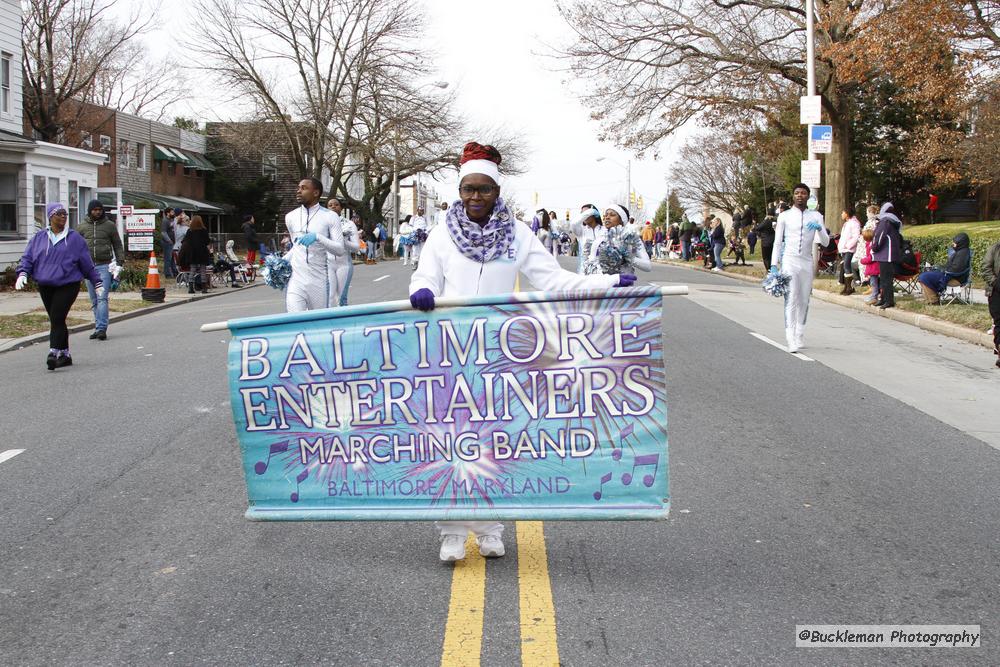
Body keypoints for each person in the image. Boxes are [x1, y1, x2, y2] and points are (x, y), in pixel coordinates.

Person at [409, 141, 636, 562]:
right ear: (460, 191)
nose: (475, 197)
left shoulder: (518, 235)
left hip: (499, 355)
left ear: (497, 192)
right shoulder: (441, 235)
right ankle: (452, 531)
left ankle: (491, 527)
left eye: (484, 190)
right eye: (468, 189)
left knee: (496, 441)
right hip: (449, 353)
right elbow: (427, 275)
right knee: (450, 440)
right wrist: (421, 290)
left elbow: (554, 281)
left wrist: (609, 283)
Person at [15, 203, 103, 370]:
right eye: (59, 214)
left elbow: (86, 262)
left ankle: (53, 352)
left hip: (68, 284)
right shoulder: (39, 238)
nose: (63, 217)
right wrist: (23, 273)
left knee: (56, 317)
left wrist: (96, 281)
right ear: (50, 216)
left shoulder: (75, 238)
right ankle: (65, 354)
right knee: (58, 320)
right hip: (46, 284)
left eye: (65, 214)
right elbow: (28, 257)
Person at [770, 183, 830, 352]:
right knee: (791, 298)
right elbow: (777, 242)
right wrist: (774, 264)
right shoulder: (785, 216)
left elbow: (825, 242)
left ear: (808, 196)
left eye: (803, 193)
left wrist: (820, 229)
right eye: (797, 193)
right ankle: (790, 337)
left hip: (806, 261)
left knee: (804, 298)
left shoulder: (816, 216)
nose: (799, 196)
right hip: (789, 260)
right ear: (793, 196)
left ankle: (799, 333)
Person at [283, 178, 346, 311]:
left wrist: (318, 237)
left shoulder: (330, 216)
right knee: (295, 321)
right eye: (298, 187)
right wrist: (280, 262)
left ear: (316, 193)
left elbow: (340, 249)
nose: (298, 191)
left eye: (304, 188)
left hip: (319, 280)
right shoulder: (290, 217)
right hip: (296, 280)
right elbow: (296, 247)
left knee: (318, 325)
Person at [78, 199, 125, 341]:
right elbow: (75, 247)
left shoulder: (109, 226)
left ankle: (101, 328)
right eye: (94, 210)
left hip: (104, 266)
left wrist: (120, 261)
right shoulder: (81, 227)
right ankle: (97, 326)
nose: (97, 212)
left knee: (102, 298)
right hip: (88, 267)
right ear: (89, 211)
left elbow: (117, 244)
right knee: (94, 300)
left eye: (99, 209)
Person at [587, 204, 652, 274]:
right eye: (606, 215)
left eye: (612, 215)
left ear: (622, 220)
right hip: (603, 283)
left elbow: (648, 266)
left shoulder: (632, 239)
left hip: (624, 283)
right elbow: (590, 265)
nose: (607, 217)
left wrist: (627, 257)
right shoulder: (599, 240)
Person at [917, 233, 971, 304]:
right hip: (950, 275)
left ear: (960, 242)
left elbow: (956, 269)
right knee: (925, 275)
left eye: (954, 242)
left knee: (924, 276)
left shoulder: (962, 254)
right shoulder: (961, 251)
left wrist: (943, 270)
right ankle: (929, 299)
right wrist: (939, 267)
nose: (953, 244)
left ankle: (934, 300)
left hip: (955, 279)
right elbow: (952, 266)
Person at [325, 198, 358, 307]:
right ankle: (328, 322)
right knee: (329, 296)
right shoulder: (323, 223)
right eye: (330, 205)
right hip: (328, 263)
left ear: (341, 208)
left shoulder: (349, 224)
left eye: (336, 204)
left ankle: (343, 322)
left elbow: (356, 247)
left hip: (344, 264)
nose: (333, 207)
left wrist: (343, 241)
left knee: (341, 298)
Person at [871, 203, 903, 309]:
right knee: (885, 278)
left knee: (885, 279)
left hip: (886, 254)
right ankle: (884, 298)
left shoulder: (885, 221)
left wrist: (874, 247)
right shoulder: (893, 221)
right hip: (889, 253)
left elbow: (879, 236)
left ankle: (888, 300)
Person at [178, 215, 212, 294]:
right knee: (203, 270)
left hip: (192, 252)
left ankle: (190, 288)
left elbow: (186, 241)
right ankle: (204, 288)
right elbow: (207, 241)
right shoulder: (204, 230)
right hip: (202, 251)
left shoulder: (190, 231)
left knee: (192, 270)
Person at [570, 203, 606, 273]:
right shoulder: (580, 231)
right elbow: (573, 223)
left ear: (594, 215)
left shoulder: (604, 230)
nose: (584, 216)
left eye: (586, 213)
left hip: (602, 272)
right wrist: (590, 211)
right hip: (584, 272)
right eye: (582, 214)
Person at [982, 237, 1000, 367]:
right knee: (999, 322)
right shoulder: (995, 249)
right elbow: (986, 268)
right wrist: (995, 282)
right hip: (996, 291)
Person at [837, 208, 862, 295]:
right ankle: (846, 286)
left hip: (849, 249)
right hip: (844, 249)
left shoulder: (854, 223)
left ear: (847, 214)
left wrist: (848, 245)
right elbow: (844, 237)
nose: (841, 214)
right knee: (845, 267)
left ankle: (850, 287)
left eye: (843, 213)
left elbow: (856, 236)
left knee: (847, 267)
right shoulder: (847, 224)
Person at [858, 227, 880, 305]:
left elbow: (871, 257)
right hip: (873, 267)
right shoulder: (870, 244)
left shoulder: (871, 246)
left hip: (873, 267)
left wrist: (863, 260)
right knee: (873, 282)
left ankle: (874, 296)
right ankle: (874, 295)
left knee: (873, 283)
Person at [161, 207, 177, 278]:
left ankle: (174, 272)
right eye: (172, 212)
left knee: (172, 258)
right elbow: (163, 232)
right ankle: (167, 274)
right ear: (168, 213)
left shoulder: (172, 220)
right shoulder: (165, 221)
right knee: (168, 258)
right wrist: (169, 240)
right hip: (167, 243)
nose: (173, 213)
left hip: (173, 242)